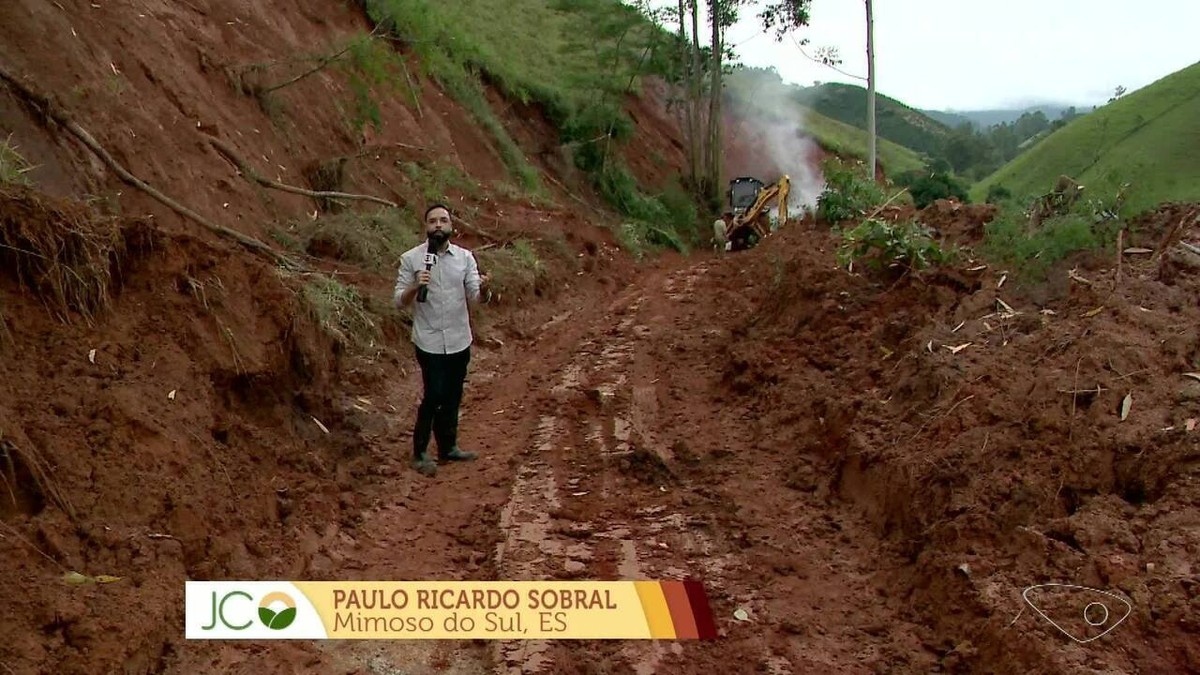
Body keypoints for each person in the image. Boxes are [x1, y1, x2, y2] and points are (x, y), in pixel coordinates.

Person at [394, 203, 488, 477]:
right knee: (433, 394)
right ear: (426, 227)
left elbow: (475, 296)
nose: (438, 225)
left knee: (453, 395)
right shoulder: (411, 259)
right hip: (429, 340)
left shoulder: (465, 258)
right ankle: (420, 452)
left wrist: (485, 288)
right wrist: (415, 286)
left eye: (443, 220)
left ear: (451, 226)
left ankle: (448, 447)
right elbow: (398, 301)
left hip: (459, 339)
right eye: (432, 220)